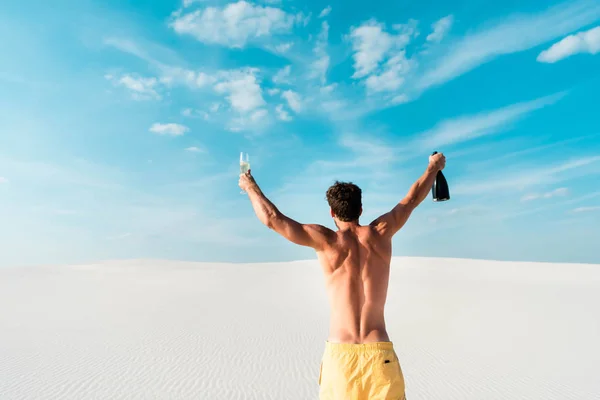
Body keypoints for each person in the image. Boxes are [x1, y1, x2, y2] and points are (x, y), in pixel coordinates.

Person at [238, 152, 446, 400]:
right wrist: (433, 167)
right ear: (360, 208)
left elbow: (273, 219)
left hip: (340, 357)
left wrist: (251, 187)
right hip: (379, 353)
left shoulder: (325, 241)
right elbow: (411, 200)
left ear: (331, 213)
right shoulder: (380, 233)